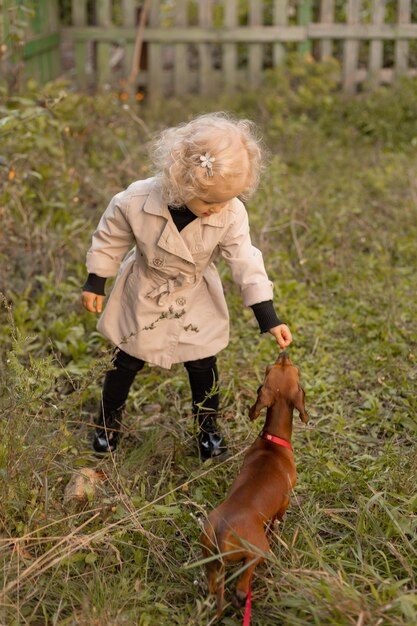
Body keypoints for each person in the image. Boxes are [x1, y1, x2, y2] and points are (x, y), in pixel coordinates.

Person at [81, 112, 292, 460]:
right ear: (181, 181)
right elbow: (110, 237)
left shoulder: (230, 211)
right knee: (125, 360)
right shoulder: (136, 200)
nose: (217, 210)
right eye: (209, 201)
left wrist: (266, 314)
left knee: (202, 363)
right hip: (145, 289)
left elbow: (245, 259)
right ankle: (106, 425)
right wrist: (96, 280)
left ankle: (207, 430)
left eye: (226, 200)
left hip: (194, 295)